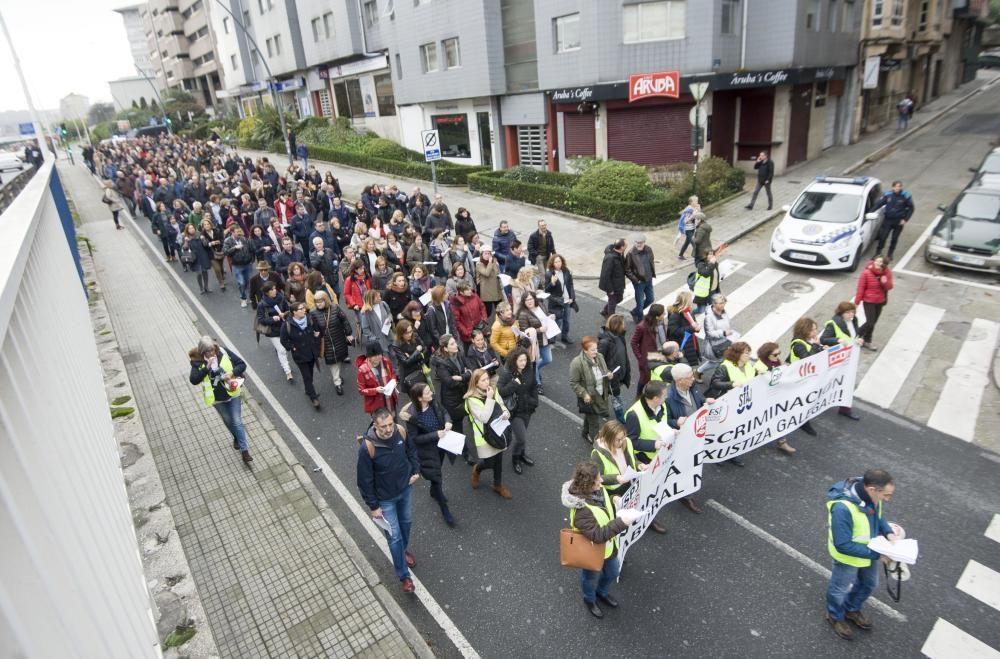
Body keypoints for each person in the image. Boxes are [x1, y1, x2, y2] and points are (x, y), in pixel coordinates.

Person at [825, 469, 898, 640]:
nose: (887, 499)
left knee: (869, 584)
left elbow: (878, 517)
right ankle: (834, 616)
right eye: (886, 495)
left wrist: (888, 532)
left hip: (869, 551)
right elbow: (842, 545)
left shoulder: (871, 496)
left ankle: (851, 609)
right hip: (849, 557)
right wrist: (877, 555)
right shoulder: (842, 509)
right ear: (872, 489)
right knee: (839, 590)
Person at [560, 461, 637, 619]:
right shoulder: (582, 512)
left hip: (609, 547)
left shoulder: (597, 490)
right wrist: (622, 522)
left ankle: (601, 593)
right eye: (598, 479)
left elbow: (604, 505)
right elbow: (598, 536)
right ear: (589, 484)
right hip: (594, 552)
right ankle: (590, 599)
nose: (601, 481)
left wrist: (614, 498)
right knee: (590, 578)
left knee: (612, 572)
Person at [356, 408, 421, 593]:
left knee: (406, 523)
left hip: (405, 489)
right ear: (375, 425)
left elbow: (411, 451)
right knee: (394, 537)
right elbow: (364, 480)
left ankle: (402, 551)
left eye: (390, 424)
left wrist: (416, 470)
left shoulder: (400, 431)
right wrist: (373, 506)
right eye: (383, 426)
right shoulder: (367, 447)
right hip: (385, 500)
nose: (388, 429)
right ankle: (404, 576)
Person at [623, 381, 686, 526]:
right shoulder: (634, 414)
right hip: (644, 458)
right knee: (645, 491)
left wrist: (674, 425)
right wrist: (654, 445)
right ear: (655, 398)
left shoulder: (661, 406)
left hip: (660, 455)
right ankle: (646, 519)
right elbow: (631, 442)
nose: (667, 397)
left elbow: (661, 424)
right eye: (664, 395)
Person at [399, 383, 456, 526]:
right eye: (427, 392)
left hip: (442, 445)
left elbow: (444, 412)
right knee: (437, 476)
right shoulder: (412, 417)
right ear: (419, 398)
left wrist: (448, 422)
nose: (431, 393)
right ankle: (444, 508)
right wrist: (435, 434)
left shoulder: (433, 401)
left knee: (436, 471)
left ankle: (433, 491)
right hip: (428, 451)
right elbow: (415, 439)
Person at [188, 337, 252, 462]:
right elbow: (193, 380)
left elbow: (242, 364)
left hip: (232, 393)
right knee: (228, 422)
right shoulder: (198, 362)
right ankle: (236, 437)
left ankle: (245, 451)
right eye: (207, 352)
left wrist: (232, 373)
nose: (211, 353)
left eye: (213, 350)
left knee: (237, 421)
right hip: (217, 398)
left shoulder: (223, 352)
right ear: (202, 352)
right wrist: (207, 367)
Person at [464, 368, 513, 499]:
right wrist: (490, 399)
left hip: (498, 431)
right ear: (475, 383)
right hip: (485, 436)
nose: (487, 382)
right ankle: (477, 469)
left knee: (499, 460)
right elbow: (484, 417)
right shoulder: (471, 399)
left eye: (487, 379)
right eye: (483, 380)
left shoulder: (492, 390)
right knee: (490, 463)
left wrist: (506, 412)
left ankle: (498, 485)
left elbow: (501, 404)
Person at [498, 347, 539, 474]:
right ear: (514, 360)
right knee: (521, 438)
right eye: (520, 360)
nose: (523, 363)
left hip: (527, 409)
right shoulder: (507, 373)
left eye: (525, 360)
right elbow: (500, 391)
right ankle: (515, 459)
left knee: (523, 434)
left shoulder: (529, 369)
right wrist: (514, 384)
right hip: (515, 411)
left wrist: (534, 402)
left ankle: (522, 454)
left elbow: (533, 386)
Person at [431, 334, 473, 460]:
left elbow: (470, 369)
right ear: (445, 348)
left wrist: (461, 377)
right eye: (452, 344)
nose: (456, 345)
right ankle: (464, 452)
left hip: (463, 393)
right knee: (457, 425)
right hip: (452, 400)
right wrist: (466, 376)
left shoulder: (458, 353)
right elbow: (450, 383)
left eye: (455, 342)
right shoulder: (441, 364)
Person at [569, 336, 613, 444]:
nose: (596, 352)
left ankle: (585, 432)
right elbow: (573, 383)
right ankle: (596, 443)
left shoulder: (600, 357)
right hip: (590, 397)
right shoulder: (577, 363)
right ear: (585, 350)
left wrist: (609, 374)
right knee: (594, 422)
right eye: (593, 350)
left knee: (590, 416)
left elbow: (605, 370)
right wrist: (584, 394)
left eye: (596, 349)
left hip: (601, 393)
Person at [756, 342, 797, 454]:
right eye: (775, 354)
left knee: (779, 417)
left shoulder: (776, 361)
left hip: (776, 396)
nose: (778, 357)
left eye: (779, 353)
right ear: (766, 354)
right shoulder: (760, 366)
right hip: (764, 399)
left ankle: (781, 441)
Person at [310, 290, 353, 395]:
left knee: (339, 360)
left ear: (326, 300)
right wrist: (315, 335)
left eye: (320, 301)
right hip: (326, 343)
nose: (318, 304)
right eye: (316, 302)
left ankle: (337, 376)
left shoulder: (335, 308)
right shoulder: (313, 314)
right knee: (332, 363)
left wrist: (348, 333)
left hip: (339, 339)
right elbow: (314, 329)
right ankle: (337, 383)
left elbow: (345, 321)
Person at [280, 301, 322, 410]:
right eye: (300, 309)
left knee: (310, 373)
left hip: (311, 353)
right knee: (306, 376)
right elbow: (283, 340)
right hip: (300, 355)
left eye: (304, 308)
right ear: (294, 312)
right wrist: (292, 347)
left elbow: (317, 331)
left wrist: (316, 339)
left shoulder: (310, 319)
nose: (304, 310)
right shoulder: (287, 324)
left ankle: (308, 389)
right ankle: (313, 398)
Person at [255, 281, 294, 381]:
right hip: (272, 331)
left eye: (275, 288)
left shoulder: (281, 298)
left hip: (284, 327)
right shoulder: (262, 304)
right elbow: (261, 319)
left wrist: (284, 314)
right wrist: (273, 319)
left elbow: (289, 310)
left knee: (284, 347)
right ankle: (288, 371)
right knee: (282, 350)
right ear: (267, 292)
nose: (274, 290)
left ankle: (283, 363)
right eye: (272, 289)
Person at [854, 255, 892, 353]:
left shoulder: (886, 272)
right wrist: (857, 302)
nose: (879, 263)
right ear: (874, 261)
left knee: (873, 323)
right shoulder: (866, 273)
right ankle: (854, 335)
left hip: (880, 301)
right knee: (870, 322)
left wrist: (884, 282)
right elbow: (861, 288)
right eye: (877, 261)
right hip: (869, 301)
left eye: (881, 262)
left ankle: (867, 340)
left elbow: (889, 286)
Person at [517, 292, 553, 392]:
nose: (529, 301)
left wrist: (551, 316)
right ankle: (537, 384)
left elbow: (546, 315)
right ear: (524, 302)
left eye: (531, 299)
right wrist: (539, 330)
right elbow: (525, 331)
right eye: (527, 300)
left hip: (545, 338)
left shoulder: (540, 305)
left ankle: (534, 370)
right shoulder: (523, 314)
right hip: (534, 343)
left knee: (548, 359)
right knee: (535, 362)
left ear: (534, 299)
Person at [598, 314, 631, 423]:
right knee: (617, 398)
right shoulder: (605, 341)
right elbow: (599, 360)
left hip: (618, 374)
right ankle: (621, 419)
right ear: (618, 325)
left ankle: (602, 409)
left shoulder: (620, 337)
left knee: (607, 394)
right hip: (611, 376)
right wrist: (607, 372)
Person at [665, 363, 714, 432]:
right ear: (679, 381)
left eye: (693, 376)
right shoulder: (667, 397)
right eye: (690, 377)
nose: (693, 379)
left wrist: (705, 400)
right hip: (687, 432)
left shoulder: (692, 385)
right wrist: (676, 423)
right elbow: (666, 421)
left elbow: (700, 399)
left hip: (701, 426)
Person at [630, 304, 667, 392]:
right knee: (644, 379)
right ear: (657, 317)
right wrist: (640, 357)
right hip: (649, 357)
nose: (665, 314)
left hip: (661, 354)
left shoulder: (661, 323)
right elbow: (633, 342)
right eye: (663, 313)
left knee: (657, 377)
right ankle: (639, 395)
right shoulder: (642, 326)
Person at [873, 182, 914, 260]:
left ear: (901, 187)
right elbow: (879, 204)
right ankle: (878, 253)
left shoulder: (906, 196)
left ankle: (890, 254)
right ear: (892, 187)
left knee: (894, 238)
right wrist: (870, 212)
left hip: (899, 221)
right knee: (883, 237)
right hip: (888, 220)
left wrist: (905, 219)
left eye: (899, 187)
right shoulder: (888, 195)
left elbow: (911, 209)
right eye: (895, 186)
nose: (897, 188)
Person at [356, 341, 399, 414]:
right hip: (376, 403)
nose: (378, 357)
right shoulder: (362, 370)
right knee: (381, 422)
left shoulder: (386, 361)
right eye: (374, 355)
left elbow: (393, 374)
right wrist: (375, 390)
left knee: (392, 419)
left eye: (379, 354)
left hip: (389, 398)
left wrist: (394, 382)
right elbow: (361, 390)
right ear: (368, 356)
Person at [390, 319, 430, 395]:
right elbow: (406, 362)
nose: (410, 334)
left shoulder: (414, 335)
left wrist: (410, 357)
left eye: (411, 331)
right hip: (408, 373)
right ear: (400, 333)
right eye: (406, 333)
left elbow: (425, 349)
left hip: (419, 368)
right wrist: (417, 351)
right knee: (415, 396)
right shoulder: (396, 345)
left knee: (426, 392)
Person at [545, 254, 576, 344]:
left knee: (567, 320)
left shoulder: (566, 271)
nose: (558, 263)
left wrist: (572, 297)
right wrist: (552, 283)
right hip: (556, 301)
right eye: (556, 262)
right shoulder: (549, 274)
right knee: (557, 320)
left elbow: (570, 285)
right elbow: (546, 289)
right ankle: (552, 337)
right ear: (552, 263)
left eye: (559, 261)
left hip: (567, 300)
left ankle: (565, 336)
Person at [625, 234, 656, 323]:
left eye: (641, 243)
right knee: (640, 302)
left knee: (650, 299)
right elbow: (627, 270)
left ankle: (635, 312)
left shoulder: (648, 249)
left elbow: (651, 261)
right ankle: (640, 319)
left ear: (644, 242)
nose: (638, 244)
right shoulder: (630, 253)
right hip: (639, 282)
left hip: (649, 279)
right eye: (637, 242)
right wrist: (635, 280)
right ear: (634, 242)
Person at [224, 226, 257, 308]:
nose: (239, 233)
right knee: (241, 283)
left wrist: (252, 260)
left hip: (247, 264)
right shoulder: (228, 241)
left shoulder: (244, 239)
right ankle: (243, 298)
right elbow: (225, 252)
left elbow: (251, 249)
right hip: (237, 266)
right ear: (232, 232)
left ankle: (250, 297)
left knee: (248, 282)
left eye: (240, 231)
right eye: (237, 232)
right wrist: (234, 248)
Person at [666, 291, 700, 368]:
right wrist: (692, 328)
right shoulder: (675, 315)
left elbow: (693, 323)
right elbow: (674, 331)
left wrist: (696, 327)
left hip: (690, 341)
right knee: (684, 364)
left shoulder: (688, 311)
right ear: (686, 301)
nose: (692, 302)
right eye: (690, 300)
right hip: (682, 343)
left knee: (690, 363)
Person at [450, 282, 488, 346]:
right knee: (470, 351)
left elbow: (482, 307)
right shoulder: (457, 303)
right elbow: (457, 320)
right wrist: (466, 332)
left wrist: (484, 319)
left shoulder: (475, 296)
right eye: (467, 290)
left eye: (470, 289)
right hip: (468, 332)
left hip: (479, 327)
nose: (470, 291)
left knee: (481, 346)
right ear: (461, 293)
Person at [702, 293, 736, 363]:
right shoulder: (709, 317)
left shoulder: (724, 312)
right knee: (716, 363)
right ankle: (699, 371)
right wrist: (723, 333)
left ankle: (699, 371)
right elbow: (710, 333)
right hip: (715, 346)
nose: (722, 305)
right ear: (713, 304)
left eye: (723, 303)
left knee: (718, 363)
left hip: (725, 342)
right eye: (719, 303)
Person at [599, 239, 627, 319]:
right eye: (625, 245)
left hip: (619, 284)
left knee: (619, 299)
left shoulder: (620, 254)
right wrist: (610, 290)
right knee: (612, 304)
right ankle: (611, 323)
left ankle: (604, 311)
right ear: (622, 247)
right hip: (612, 286)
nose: (626, 246)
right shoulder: (610, 258)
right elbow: (606, 275)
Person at [360, 289, 393, 355]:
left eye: (379, 296)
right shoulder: (366, 312)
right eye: (377, 297)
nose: (380, 298)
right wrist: (374, 339)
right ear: (371, 299)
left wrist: (389, 319)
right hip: (378, 342)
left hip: (389, 337)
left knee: (393, 356)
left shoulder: (383, 304)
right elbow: (365, 329)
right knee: (383, 360)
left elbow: (389, 314)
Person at [475, 246, 503, 317]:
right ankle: (486, 325)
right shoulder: (479, 264)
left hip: (496, 289)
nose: (487, 255)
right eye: (485, 253)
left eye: (489, 254)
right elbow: (486, 273)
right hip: (486, 291)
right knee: (488, 311)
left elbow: (497, 272)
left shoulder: (494, 261)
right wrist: (490, 263)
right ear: (482, 254)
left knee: (500, 309)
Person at [692, 251, 721, 315]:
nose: (712, 255)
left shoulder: (714, 264)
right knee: (701, 310)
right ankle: (691, 314)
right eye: (710, 254)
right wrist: (712, 263)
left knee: (712, 308)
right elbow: (706, 273)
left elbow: (716, 276)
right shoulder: (701, 264)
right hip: (703, 293)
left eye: (713, 254)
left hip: (713, 290)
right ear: (705, 256)